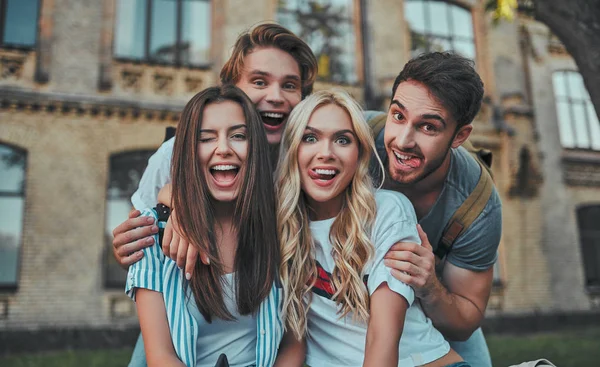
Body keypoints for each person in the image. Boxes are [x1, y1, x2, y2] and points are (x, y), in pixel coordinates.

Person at [113, 44, 499, 366]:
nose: (275, 96)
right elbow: (150, 226)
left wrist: (429, 285)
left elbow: (443, 324)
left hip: (422, 332)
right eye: (259, 82)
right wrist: (178, 205)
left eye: (290, 85)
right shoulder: (253, 182)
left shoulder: (464, 203)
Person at [275, 89, 468, 366]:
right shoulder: (282, 227)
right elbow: (295, 339)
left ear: (359, 155)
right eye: (310, 138)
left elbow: (382, 337)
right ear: (293, 149)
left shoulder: (387, 211)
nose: (326, 153)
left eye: (342, 140)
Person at [126, 85, 282, 367]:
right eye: (206, 139)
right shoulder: (153, 233)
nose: (223, 149)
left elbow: (295, 340)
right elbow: (160, 357)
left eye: (238, 136)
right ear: (187, 152)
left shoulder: (282, 227)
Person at [372, 52, 502, 366]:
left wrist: (429, 285)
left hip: (433, 308)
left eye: (428, 127)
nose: (403, 141)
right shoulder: (351, 139)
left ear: (460, 136)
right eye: (398, 116)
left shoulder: (476, 205)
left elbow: (466, 318)